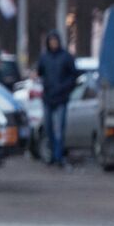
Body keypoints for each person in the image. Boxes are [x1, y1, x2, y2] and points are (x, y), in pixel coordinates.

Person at [36, 31, 78, 166]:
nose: (53, 43)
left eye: (55, 41)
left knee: (59, 129)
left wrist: (64, 89)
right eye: (51, 41)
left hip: (61, 98)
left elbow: (73, 76)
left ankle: (58, 156)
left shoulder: (66, 57)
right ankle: (53, 154)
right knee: (48, 128)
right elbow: (40, 72)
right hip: (48, 98)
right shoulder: (44, 57)